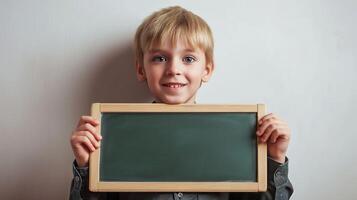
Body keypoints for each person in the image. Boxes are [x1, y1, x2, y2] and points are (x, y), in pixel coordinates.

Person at [69, 6, 293, 200]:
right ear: (140, 69)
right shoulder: (111, 137)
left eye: (188, 59)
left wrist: (274, 158)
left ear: (207, 70)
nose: (174, 69)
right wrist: (87, 166)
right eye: (160, 58)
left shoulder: (235, 136)